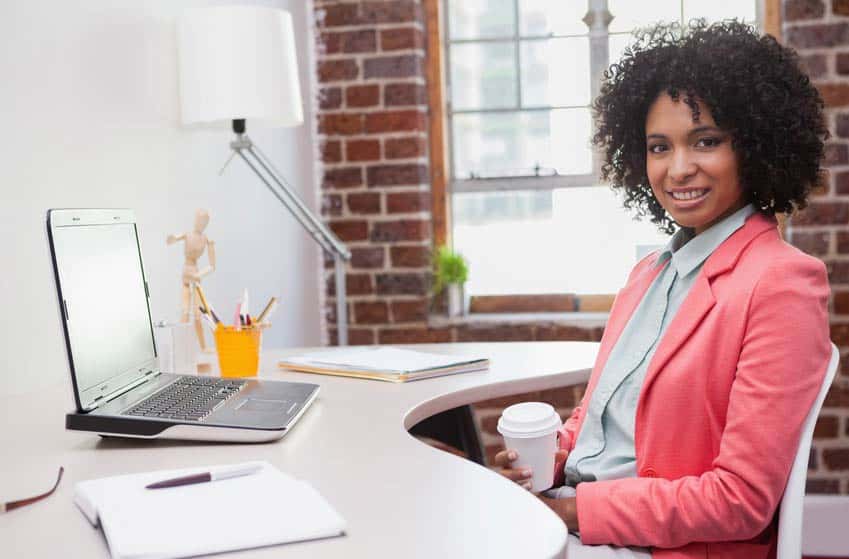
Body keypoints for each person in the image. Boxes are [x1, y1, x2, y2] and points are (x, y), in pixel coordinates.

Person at [495, 20, 832, 559]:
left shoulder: (783, 283)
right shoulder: (650, 273)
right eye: (659, 147)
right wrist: (544, 460)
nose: (678, 169)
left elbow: (740, 500)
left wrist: (570, 511)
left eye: (706, 141)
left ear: (754, 144)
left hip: (653, 546)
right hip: (573, 518)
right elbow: (600, 419)